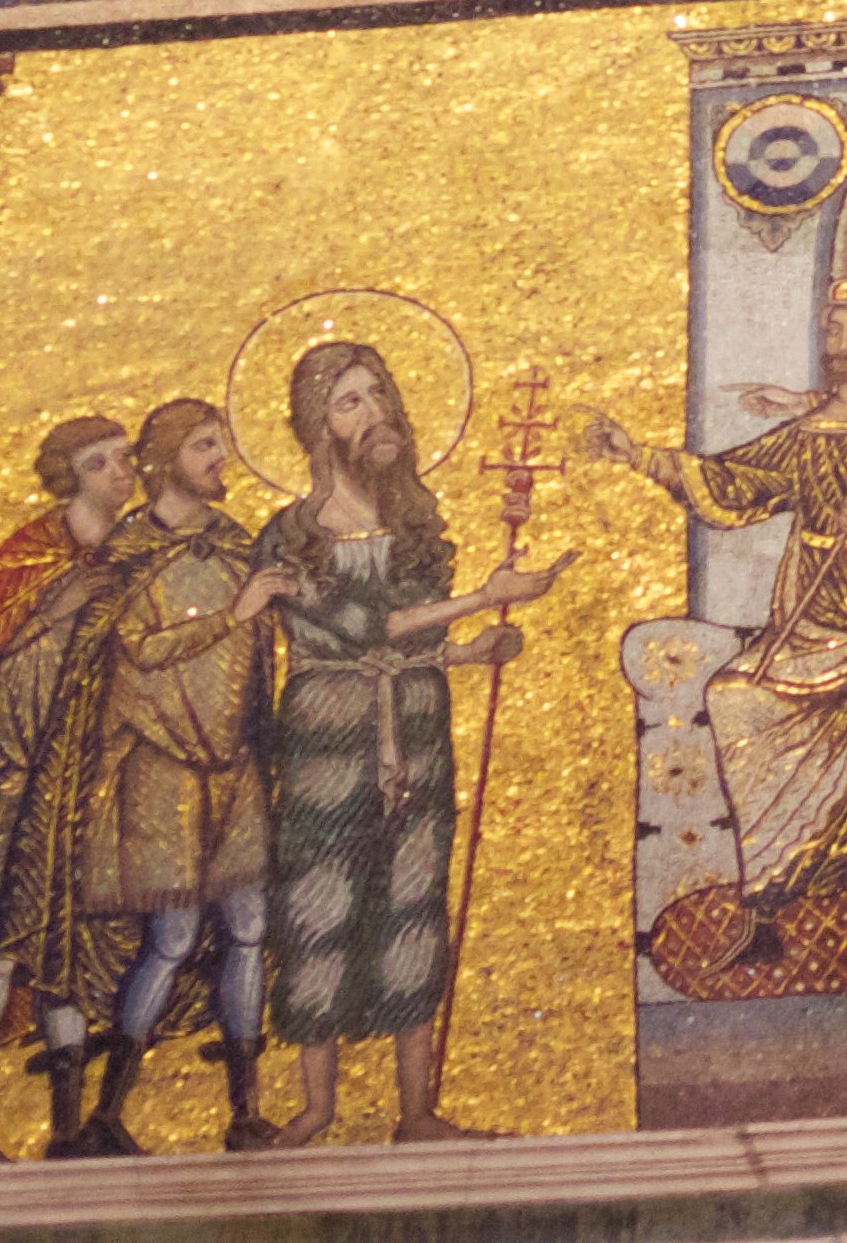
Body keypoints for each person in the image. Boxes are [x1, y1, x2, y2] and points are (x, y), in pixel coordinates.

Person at [581, 276, 847, 956]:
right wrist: (637, 454)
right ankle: (770, 908)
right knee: (737, 698)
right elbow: (728, 485)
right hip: (812, 633)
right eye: (834, 330)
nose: (843, 345)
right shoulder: (809, 432)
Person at [251, 341, 556, 1148]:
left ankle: (416, 1111)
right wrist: (482, 598)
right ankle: (317, 1108)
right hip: (328, 741)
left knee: (414, 905)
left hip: (416, 733)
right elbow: (362, 628)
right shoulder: (291, 537)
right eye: (349, 401)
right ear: (317, 425)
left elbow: (407, 640)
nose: (374, 414)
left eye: (379, 394)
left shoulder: (415, 525)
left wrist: (469, 652)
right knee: (321, 903)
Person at [0, 413, 142, 1162]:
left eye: (127, 458)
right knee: (6, 949)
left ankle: (67, 1131)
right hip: (19, 788)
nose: (122, 473)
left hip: (94, 791)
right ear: (69, 477)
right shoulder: (29, 559)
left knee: (68, 958)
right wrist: (52, 616)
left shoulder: (134, 554)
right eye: (102, 463)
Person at [85, 399, 295, 1152]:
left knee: (249, 928)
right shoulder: (129, 552)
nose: (220, 460)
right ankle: (109, 1112)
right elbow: (138, 651)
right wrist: (237, 613)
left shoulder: (238, 545)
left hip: (235, 763)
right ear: (166, 457)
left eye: (222, 445)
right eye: (206, 446)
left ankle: (245, 1112)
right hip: (162, 763)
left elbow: (263, 655)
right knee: (172, 935)